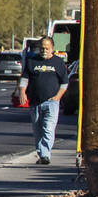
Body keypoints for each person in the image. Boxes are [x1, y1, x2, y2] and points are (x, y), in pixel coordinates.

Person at [17, 36, 69, 164]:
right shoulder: (32, 61)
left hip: (51, 102)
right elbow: (24, 78)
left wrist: (58, 97)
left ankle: (45, 155)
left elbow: (64, 83)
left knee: (48, 128)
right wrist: (22, 92)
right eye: (42, 48)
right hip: (35, 102)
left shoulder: (58, 62)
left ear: (52, 49)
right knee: (38, 130)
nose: (44, 50)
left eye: (46, 48)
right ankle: (42, 154)